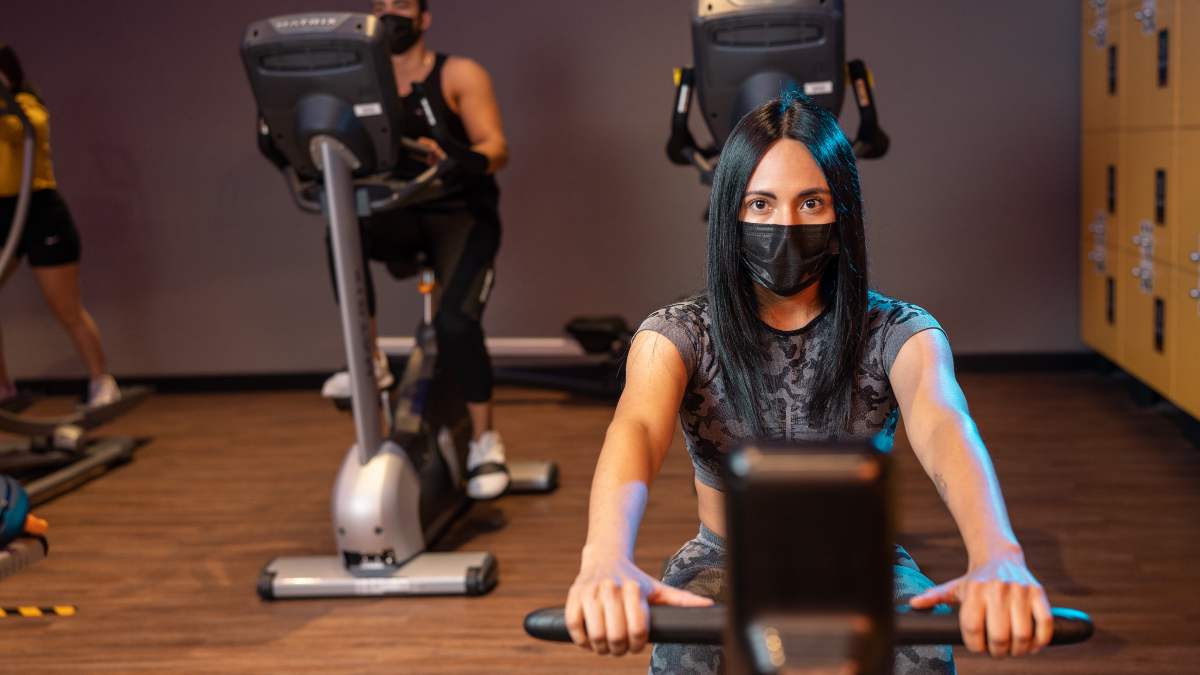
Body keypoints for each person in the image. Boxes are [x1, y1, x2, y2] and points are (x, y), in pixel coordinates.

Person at [563, 90, 1054, 674]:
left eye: (811, 203)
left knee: (921, 652)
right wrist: (604, 558)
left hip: (860, 559)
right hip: (727, 560)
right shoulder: (675, 335)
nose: (786, 223)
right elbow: (637, 430)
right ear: (730, 217)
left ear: (841, 216)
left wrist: (999, 554)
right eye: (761, 204)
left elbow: (946, 427)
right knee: (687, 654)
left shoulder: (901, 331)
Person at [321, 0, 511, 499]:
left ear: (424, 18)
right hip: (397, 214)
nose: (390, 15)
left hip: (459, 216)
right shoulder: (360, 82)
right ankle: (371, 359)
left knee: (454, 324)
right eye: (380, 6)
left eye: (401, 6)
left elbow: (496, 148)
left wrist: (459, 160)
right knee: (340, 230)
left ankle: (485, 442)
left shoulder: (457, 74)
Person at [0, 43, 120, 408]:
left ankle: (102, 381)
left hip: (38, 211)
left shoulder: (29, 109)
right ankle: (3, 388)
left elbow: (22, 130)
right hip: (1, 215)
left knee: (65, 307)